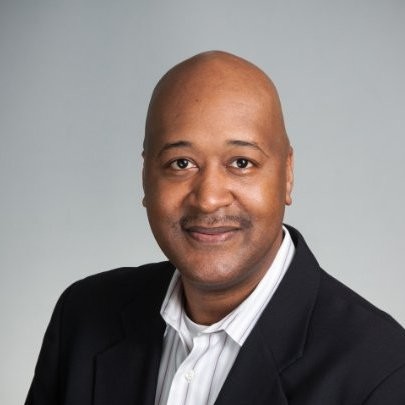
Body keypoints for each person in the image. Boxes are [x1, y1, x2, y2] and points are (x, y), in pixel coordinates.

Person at [26, 51, 405, 405]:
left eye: (241, 163)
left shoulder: (383, 371)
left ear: (287, 175)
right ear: (145, 177)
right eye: (181, 163)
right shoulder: (83, 317)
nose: (208, 199)